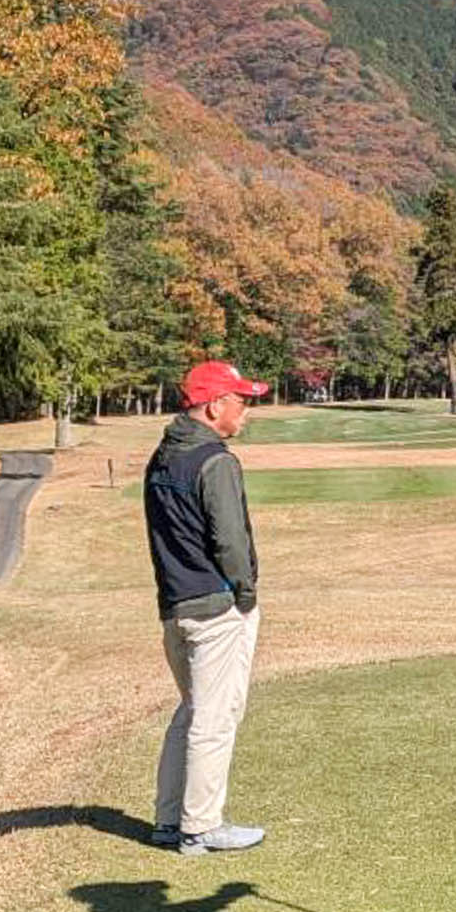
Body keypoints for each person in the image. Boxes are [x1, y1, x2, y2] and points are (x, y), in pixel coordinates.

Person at [147, 360, 270, 854]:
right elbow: (230, 541)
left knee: (193, 711)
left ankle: (169, 819)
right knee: (215, 719)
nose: (246, 412)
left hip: (175, 604)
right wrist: (246, 595)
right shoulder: (215, 461)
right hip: (215, 606)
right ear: (215, 405)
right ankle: (201, 825)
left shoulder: (163, 455)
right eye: (241, 401)